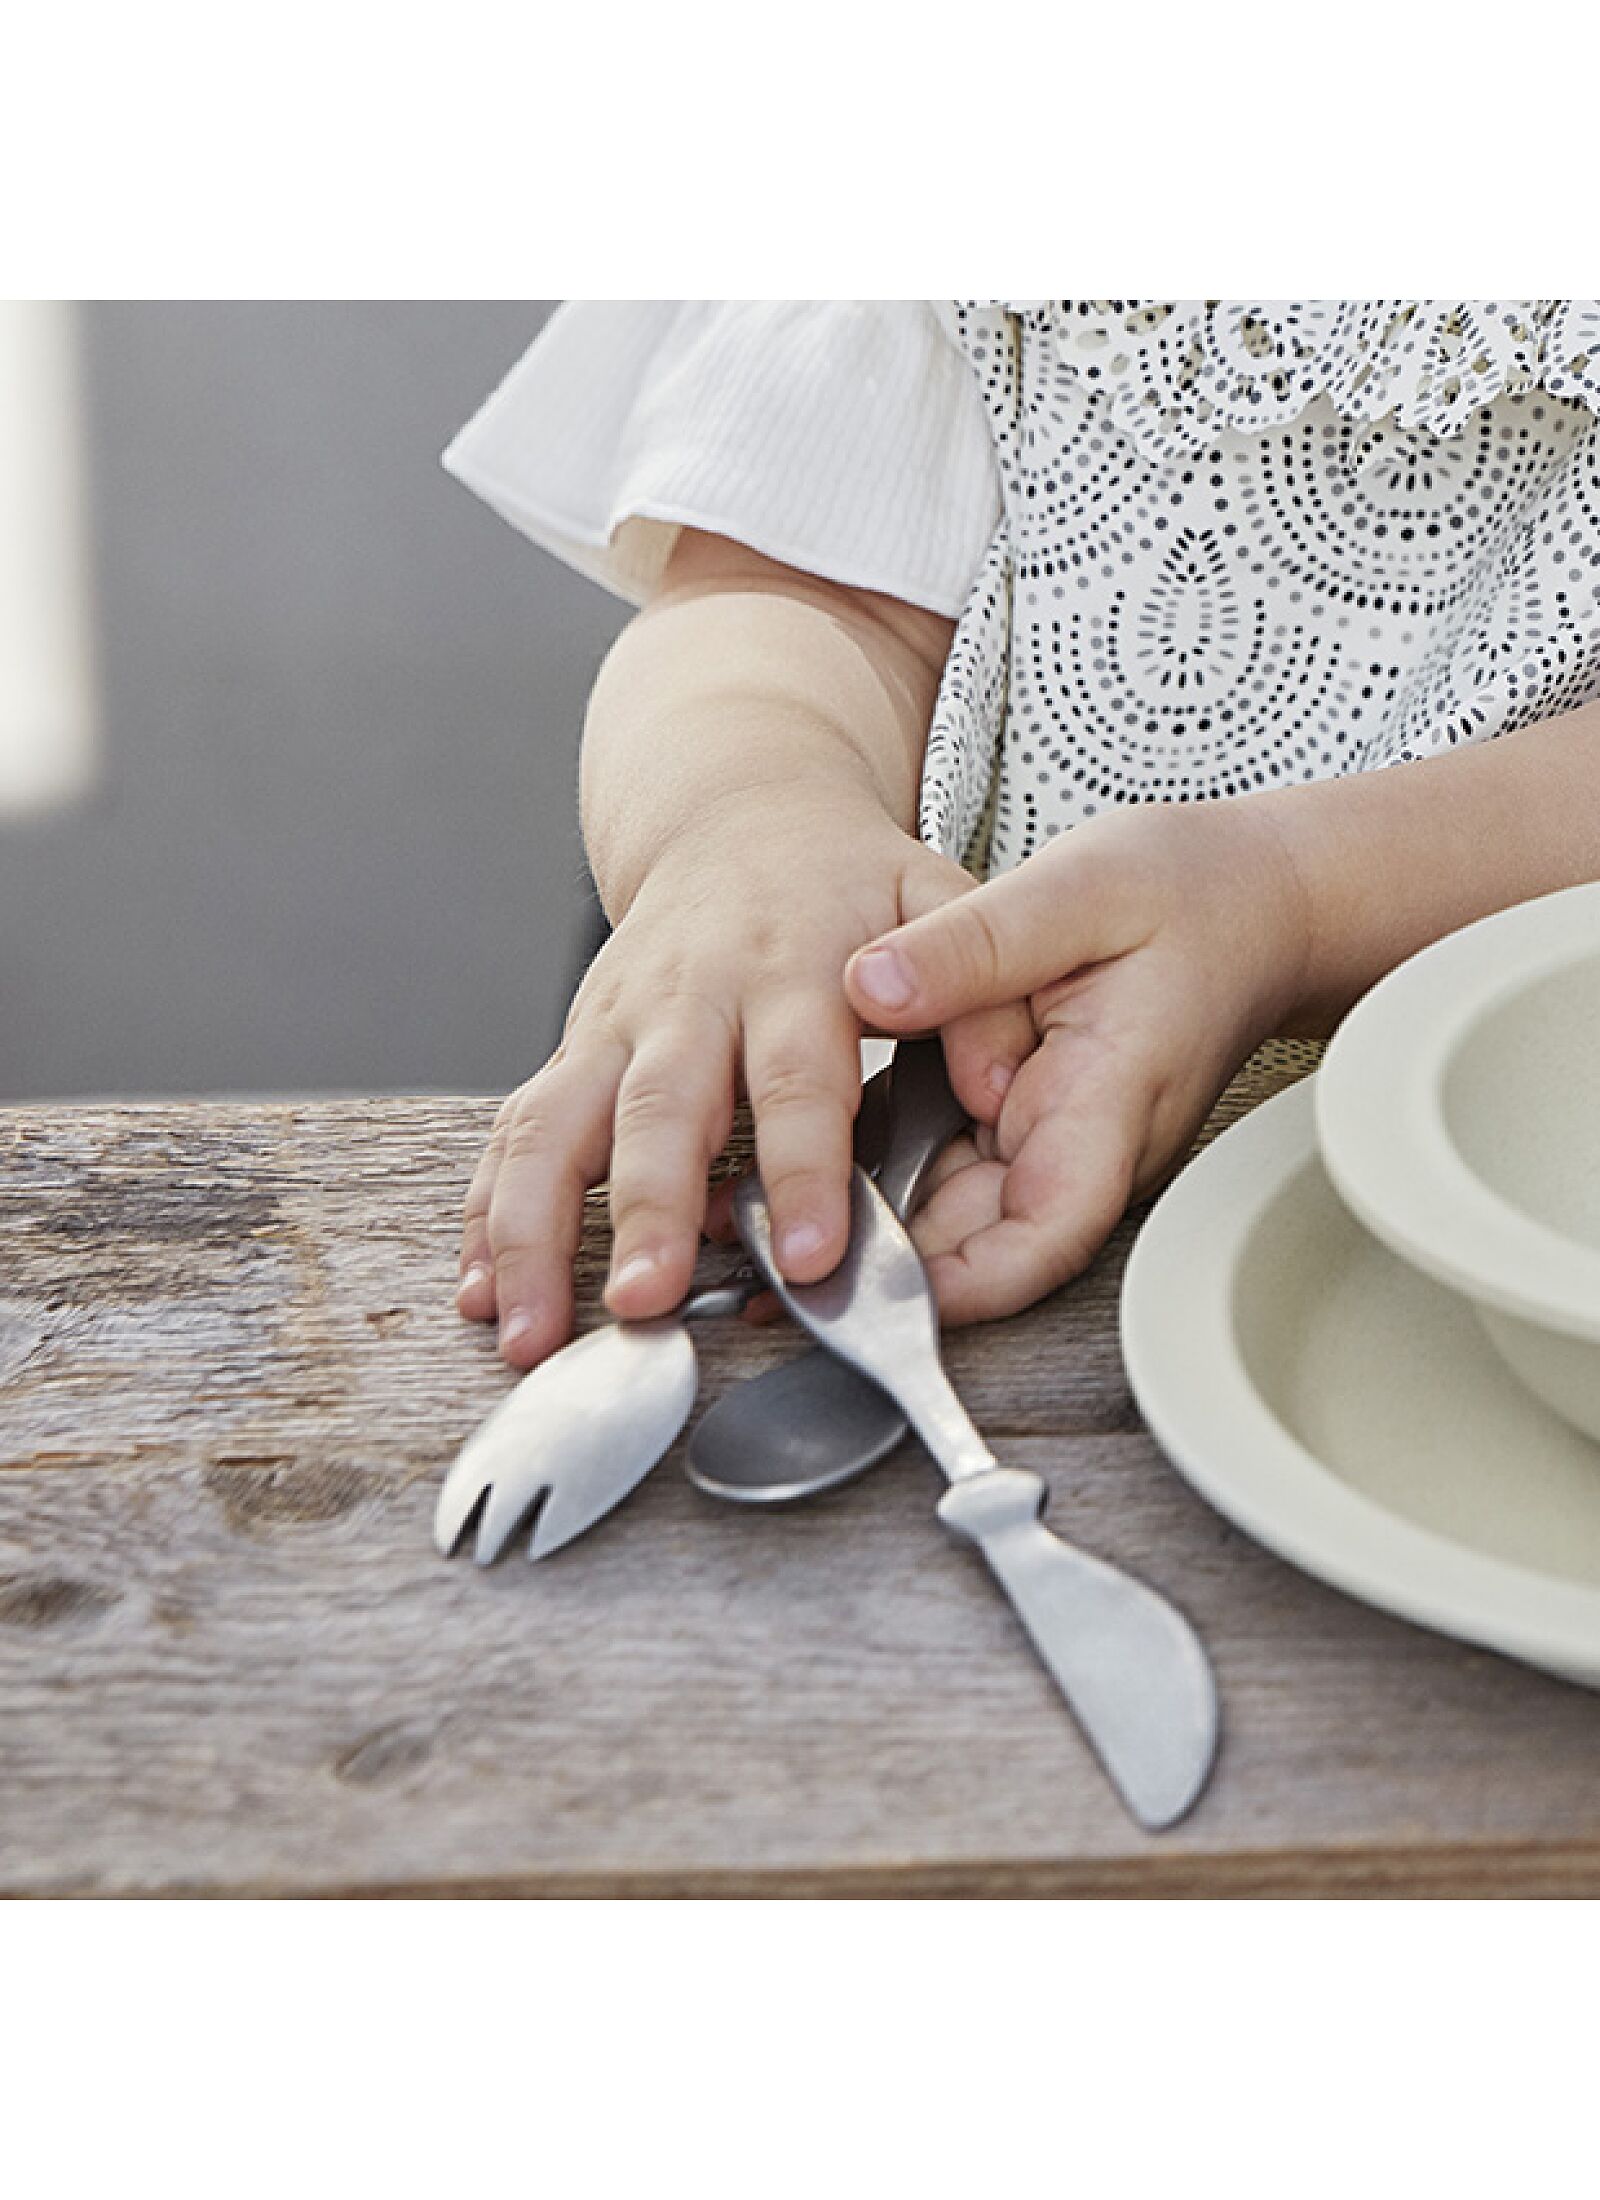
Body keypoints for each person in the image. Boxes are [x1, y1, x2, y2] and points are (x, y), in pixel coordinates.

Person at [443, 300, 1600, 1369]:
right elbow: (792, 591)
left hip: (1507, 1252)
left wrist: (1292, 898)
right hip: (887, 1148)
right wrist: (746, 817)